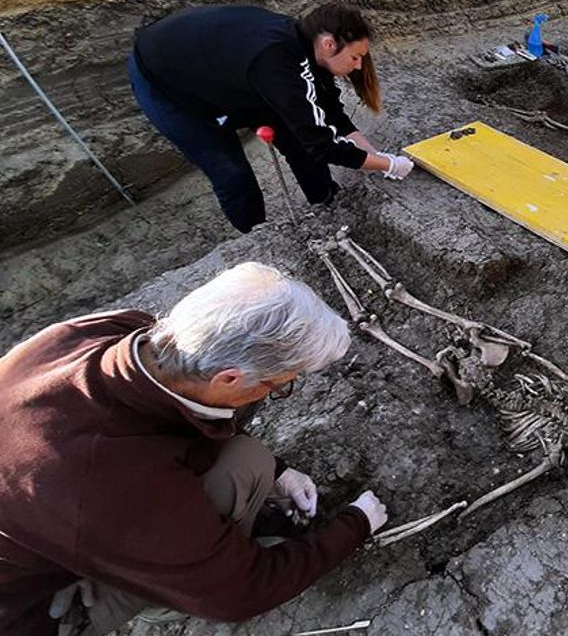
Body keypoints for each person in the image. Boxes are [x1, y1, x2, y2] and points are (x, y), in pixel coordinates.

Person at [0, 262, 390, 635]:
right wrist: (354, 525)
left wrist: (278, 471)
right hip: (29, 611)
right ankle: (153, 596)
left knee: (250, 461)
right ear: (228, 379)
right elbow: (240, 595)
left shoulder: (112, 332)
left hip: (47, 513)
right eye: (280, 385)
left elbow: (165, 428)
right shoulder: (114, 484)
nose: (279, 392)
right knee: (230, 567)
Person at [129, 3, 413, 232]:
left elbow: (329, 112)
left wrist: (374, 155)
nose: (359, 65)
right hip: (166, 81)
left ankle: (327, 200)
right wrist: (388, 164)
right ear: (329, 44)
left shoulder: (305, 49)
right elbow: (323, 144)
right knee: (231, 172)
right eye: (355, 57)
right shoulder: (276, 62)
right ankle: (262, 239)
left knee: (297, 139)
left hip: (232, 70)